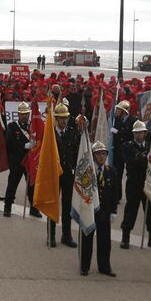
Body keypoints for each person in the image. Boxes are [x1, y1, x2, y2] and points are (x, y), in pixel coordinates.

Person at [119, 120, 151, 250]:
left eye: (141, 132)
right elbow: (132, 161)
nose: (138, 135)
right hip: (134, 183)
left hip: (148, 182)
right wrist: (146, 157)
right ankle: (125, 237)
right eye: (136, 133)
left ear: (145, 133)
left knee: (150, 211)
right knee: (130, 210)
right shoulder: (128, 146)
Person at [80, 141, 118, 276]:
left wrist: (114, 211)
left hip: (104, 211)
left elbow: (115, 193)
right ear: (93, 156)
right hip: (90, 210)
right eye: (98, 154)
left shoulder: (111, 172)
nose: (101, 157)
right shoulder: (87, 171)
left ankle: (104, 267)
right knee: (87, 239)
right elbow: (82, 190)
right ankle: (84, 266)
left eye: (103, 154)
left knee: (105, 241)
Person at [51, 103, 79, 247]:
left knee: (67, 205)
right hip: (54, 173)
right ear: (56, 118)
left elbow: (77, 153)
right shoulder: (50, 134)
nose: (64, 121)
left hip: (68, 173)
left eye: (66, 118)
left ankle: (66, 235)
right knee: (53, 203)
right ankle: (51, 235)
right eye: (61, 118)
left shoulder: (73, 133)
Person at [4, 102, 37, 217]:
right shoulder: (12, 126)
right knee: (12, 184)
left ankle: (33, 208)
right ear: (18, 114)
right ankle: (7, 207)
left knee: (32, 186)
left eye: (26, 114)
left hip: (30, 161)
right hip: (17, 161)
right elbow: (9, 142)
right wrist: (24, 146)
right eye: (22, 114)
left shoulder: (32, 126)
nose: (24, 116)